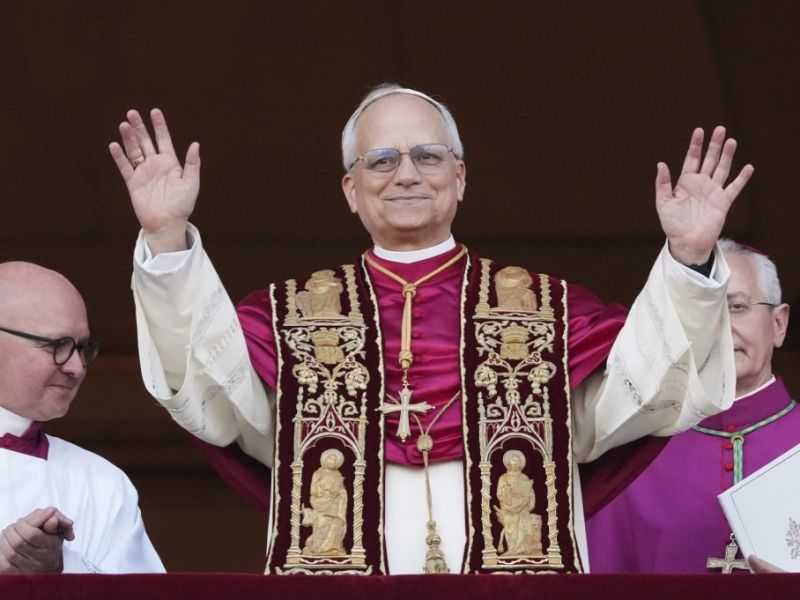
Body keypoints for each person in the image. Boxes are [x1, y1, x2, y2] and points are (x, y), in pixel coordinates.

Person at [108, 84, 752, 574]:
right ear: (350, 189)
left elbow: (641, 395)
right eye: (381, 159)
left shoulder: (546, 310)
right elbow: (210, 395)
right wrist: (166, 240)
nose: (407, 173)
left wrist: (690, 260)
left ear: (461, 176)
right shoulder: (292, 317)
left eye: (427, 155)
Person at [585, 240, 796, 573]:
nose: (721, 327)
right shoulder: (630, 455)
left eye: (737, 307)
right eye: (705, 311)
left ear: (779, 323)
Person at [0, 262, 164, 574]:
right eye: (57, 346)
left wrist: (61, 569)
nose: (76, 367)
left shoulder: (102, 483)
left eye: (82, 348)